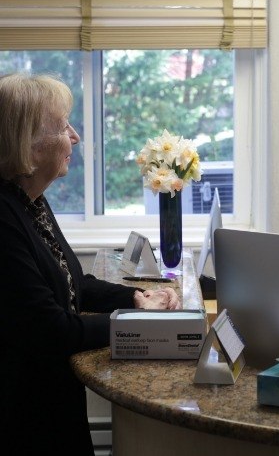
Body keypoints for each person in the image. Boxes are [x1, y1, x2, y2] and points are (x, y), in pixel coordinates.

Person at [0, 73, 181, 455]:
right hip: (23, 415)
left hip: (50, 397)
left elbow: (75, 283)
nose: (75, 137)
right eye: (64, 126)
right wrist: (136, 325)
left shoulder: (30, 199)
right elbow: (52, 329)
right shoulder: (3, 218)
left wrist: (136, 298)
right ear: (30, 147)